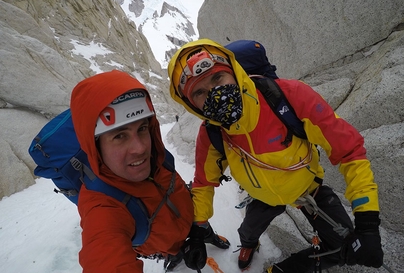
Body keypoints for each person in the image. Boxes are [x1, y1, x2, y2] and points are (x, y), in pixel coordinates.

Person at [167, 39, 384, 273]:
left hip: (307, 190)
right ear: (191, 104)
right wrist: (198, 230)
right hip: (264, 196)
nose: (215, 94)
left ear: (234, 71)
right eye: (199, 92)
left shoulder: (289, 96)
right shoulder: (211, 133)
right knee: (247, 231)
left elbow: (349, 150)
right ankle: (249, 244)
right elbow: (203, 183)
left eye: (217, 78)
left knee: (343, 247)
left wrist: (367, 220)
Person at [70, 70, 229, 272]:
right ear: (95, 145)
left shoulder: (157, 156)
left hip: (190, 219)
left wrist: (198, 230)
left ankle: (208, 236)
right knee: (176, 252)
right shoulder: (103, 206)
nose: (141, 148)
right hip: (167, 244)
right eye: (119, 136)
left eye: (142, 129)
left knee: (203, 232)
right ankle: (176, 255)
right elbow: (105, 255)